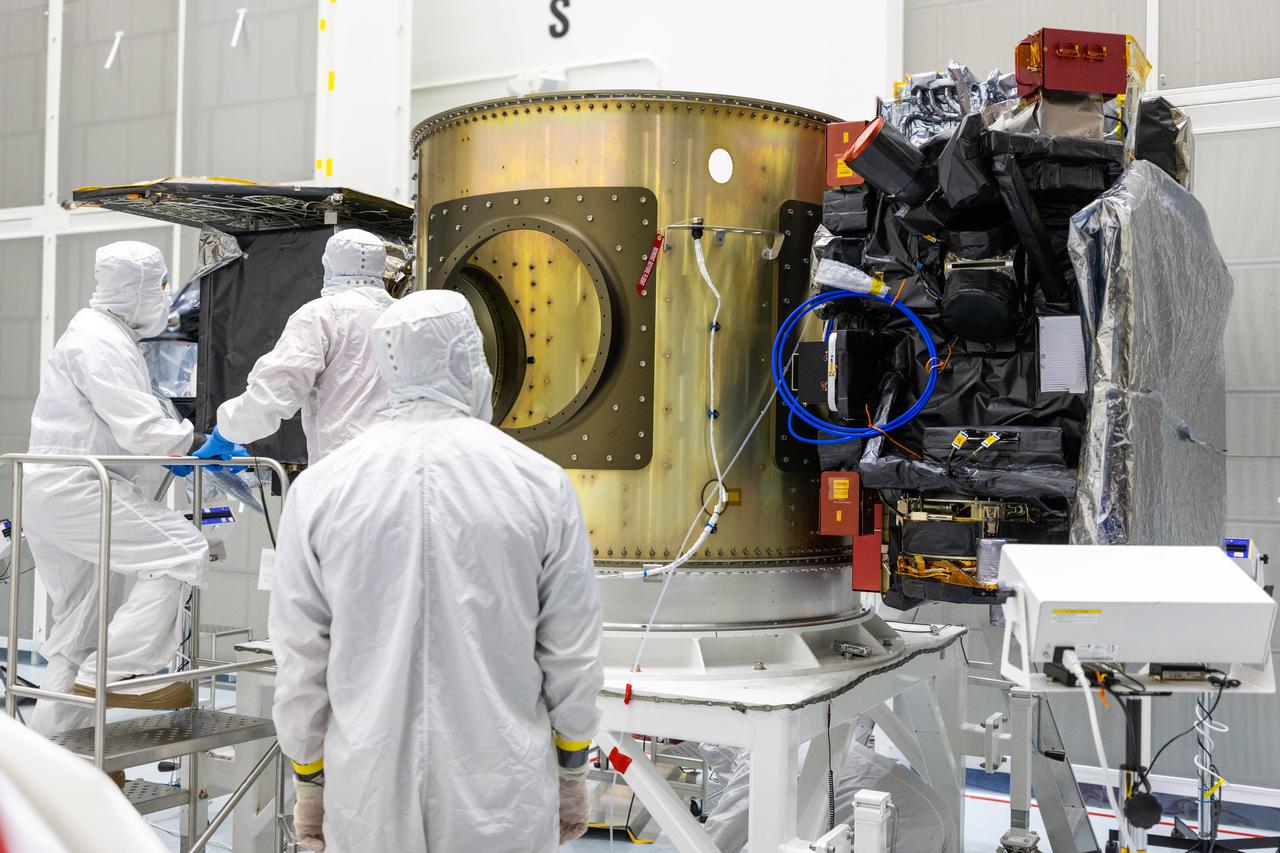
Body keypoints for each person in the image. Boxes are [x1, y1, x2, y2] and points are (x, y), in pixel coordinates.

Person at [269, 290, 604, 852]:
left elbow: (301, 658)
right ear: (467, 358)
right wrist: (572, 770)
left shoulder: (321, 489)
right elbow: (571, 650)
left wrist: (310, 781)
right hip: (501, 794)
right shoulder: (539, 483)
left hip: (367, 794)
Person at [23, 241, 241, 739]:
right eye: (160, 285)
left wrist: (180, 448)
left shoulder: (105, 334)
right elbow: (139, 426)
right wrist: (194, 442)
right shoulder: (97, 340)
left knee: (80, 632)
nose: (164, 296)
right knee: (184, 548)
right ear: (137, 289)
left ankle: (53, 757)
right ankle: (120, 671)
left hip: (59, 491)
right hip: (76, 489)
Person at [203, 228, 395, 465]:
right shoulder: (406, 316)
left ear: (328, 265)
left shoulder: (323, 315)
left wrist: (226, 431)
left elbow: (274, 392)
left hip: (345, 471)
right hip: (401, 470)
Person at [701, 738, 959, 853]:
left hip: (902, 828)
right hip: (935, 812)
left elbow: (715, 841)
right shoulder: (805, 740)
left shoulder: (759, 761)